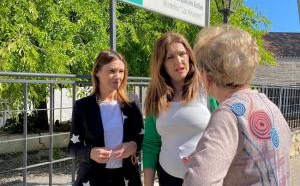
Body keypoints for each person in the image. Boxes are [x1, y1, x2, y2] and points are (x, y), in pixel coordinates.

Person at [184, 25, 291, 186]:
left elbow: (198, 182)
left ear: (207, 77)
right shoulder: (271, 107)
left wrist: (198, 166)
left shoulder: (228, 114)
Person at [143, 32, 211, 186]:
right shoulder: (155, 96)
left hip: (205, 179)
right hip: (168, 178)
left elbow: (224, 135)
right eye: (170, 57)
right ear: (161, 64)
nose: (178, 61)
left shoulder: (207, 88)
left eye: (182, 54)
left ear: (189, 56)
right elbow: (151, 144)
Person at [68, 50, 144, 186]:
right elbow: (73, 147)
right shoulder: (82, 106)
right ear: (97, 72)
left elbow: (141, 137)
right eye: (112, 71)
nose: (118, 76)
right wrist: (91, 153)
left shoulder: (132, 103)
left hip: (127, 178)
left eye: (121, 71)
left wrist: (133, 146)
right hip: (93, 179)